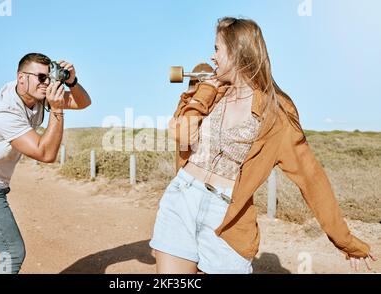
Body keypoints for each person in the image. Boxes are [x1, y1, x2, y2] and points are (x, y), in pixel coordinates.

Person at [149, 17, 376, 274]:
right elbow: (181, 135)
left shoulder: (276, 114)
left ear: (237, 52)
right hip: (182, 198)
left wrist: (345, 240)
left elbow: (311, 178)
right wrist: (203, 93)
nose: (212, 57)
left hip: (227, 219)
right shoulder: (206, 91)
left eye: (217, 49)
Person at [0, 53, 91, 274]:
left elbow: (84, 102)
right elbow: (45, 154)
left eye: (50, 77)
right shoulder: (6, 110)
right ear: (21, 78)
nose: (47, 83)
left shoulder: (37, 93)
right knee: (12, 252)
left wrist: (72, 82)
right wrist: (56, 109)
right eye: (40, 77)